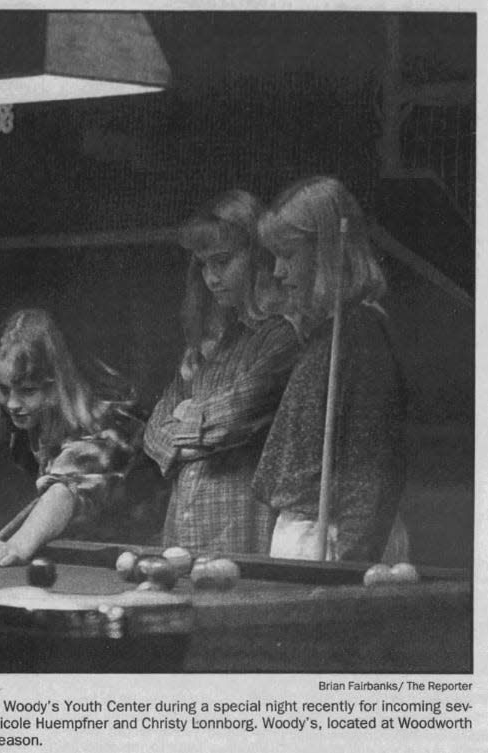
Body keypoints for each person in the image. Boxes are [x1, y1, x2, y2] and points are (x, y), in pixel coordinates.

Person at [252, 176, 407, 561]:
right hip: (310, 535)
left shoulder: (360, 333)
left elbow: (369, 471)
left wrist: (349, 570)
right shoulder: (327, 334)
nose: (277, 271)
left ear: (327, 252)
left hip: (337, 542)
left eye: (288, 255)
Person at [143, 190, 301, 554]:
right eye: (202, 264)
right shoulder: (210, 343)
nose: (211, 277)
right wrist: (196, 429)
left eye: (222, 261)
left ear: (259, 257)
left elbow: (231, 422)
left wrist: (186, 422)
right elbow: (154, 432)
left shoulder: (280, 337)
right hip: (182, 527)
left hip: (240, 529)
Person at [0, 308, 144, 566]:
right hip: (99, 553)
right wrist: (5, 540)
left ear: (58, 384)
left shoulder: (105, 428)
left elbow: (63, 492)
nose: (12, 404)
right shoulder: (34, 425)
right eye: (4, 389)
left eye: (28, 390)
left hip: (142, 556)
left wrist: (17, 544)